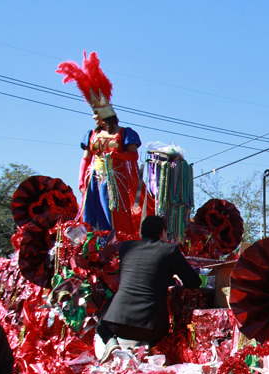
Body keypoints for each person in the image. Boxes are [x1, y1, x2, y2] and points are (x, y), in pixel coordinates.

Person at [58, 51, 153, 236]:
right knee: (91, 216)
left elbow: (133, 156)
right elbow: (86, 158)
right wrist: (81, 179)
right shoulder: (90, 134)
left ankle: (117, 244)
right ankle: (94, 249)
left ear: (105, 113)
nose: (94, 116)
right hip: (93, 178)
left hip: (116, 181)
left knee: (114, 215)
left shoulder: (125, 133)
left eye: (96, 112)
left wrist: (115, 155)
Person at [97, 216, 201, 353]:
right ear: (163, 233)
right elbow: (194, 282)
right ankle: (144, 347)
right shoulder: (169, 250)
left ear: (141, 233)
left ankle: (111, 343)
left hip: (117, 323)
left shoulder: (126, 248)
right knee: (161, 331)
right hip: (152, 328)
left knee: (100, 325)